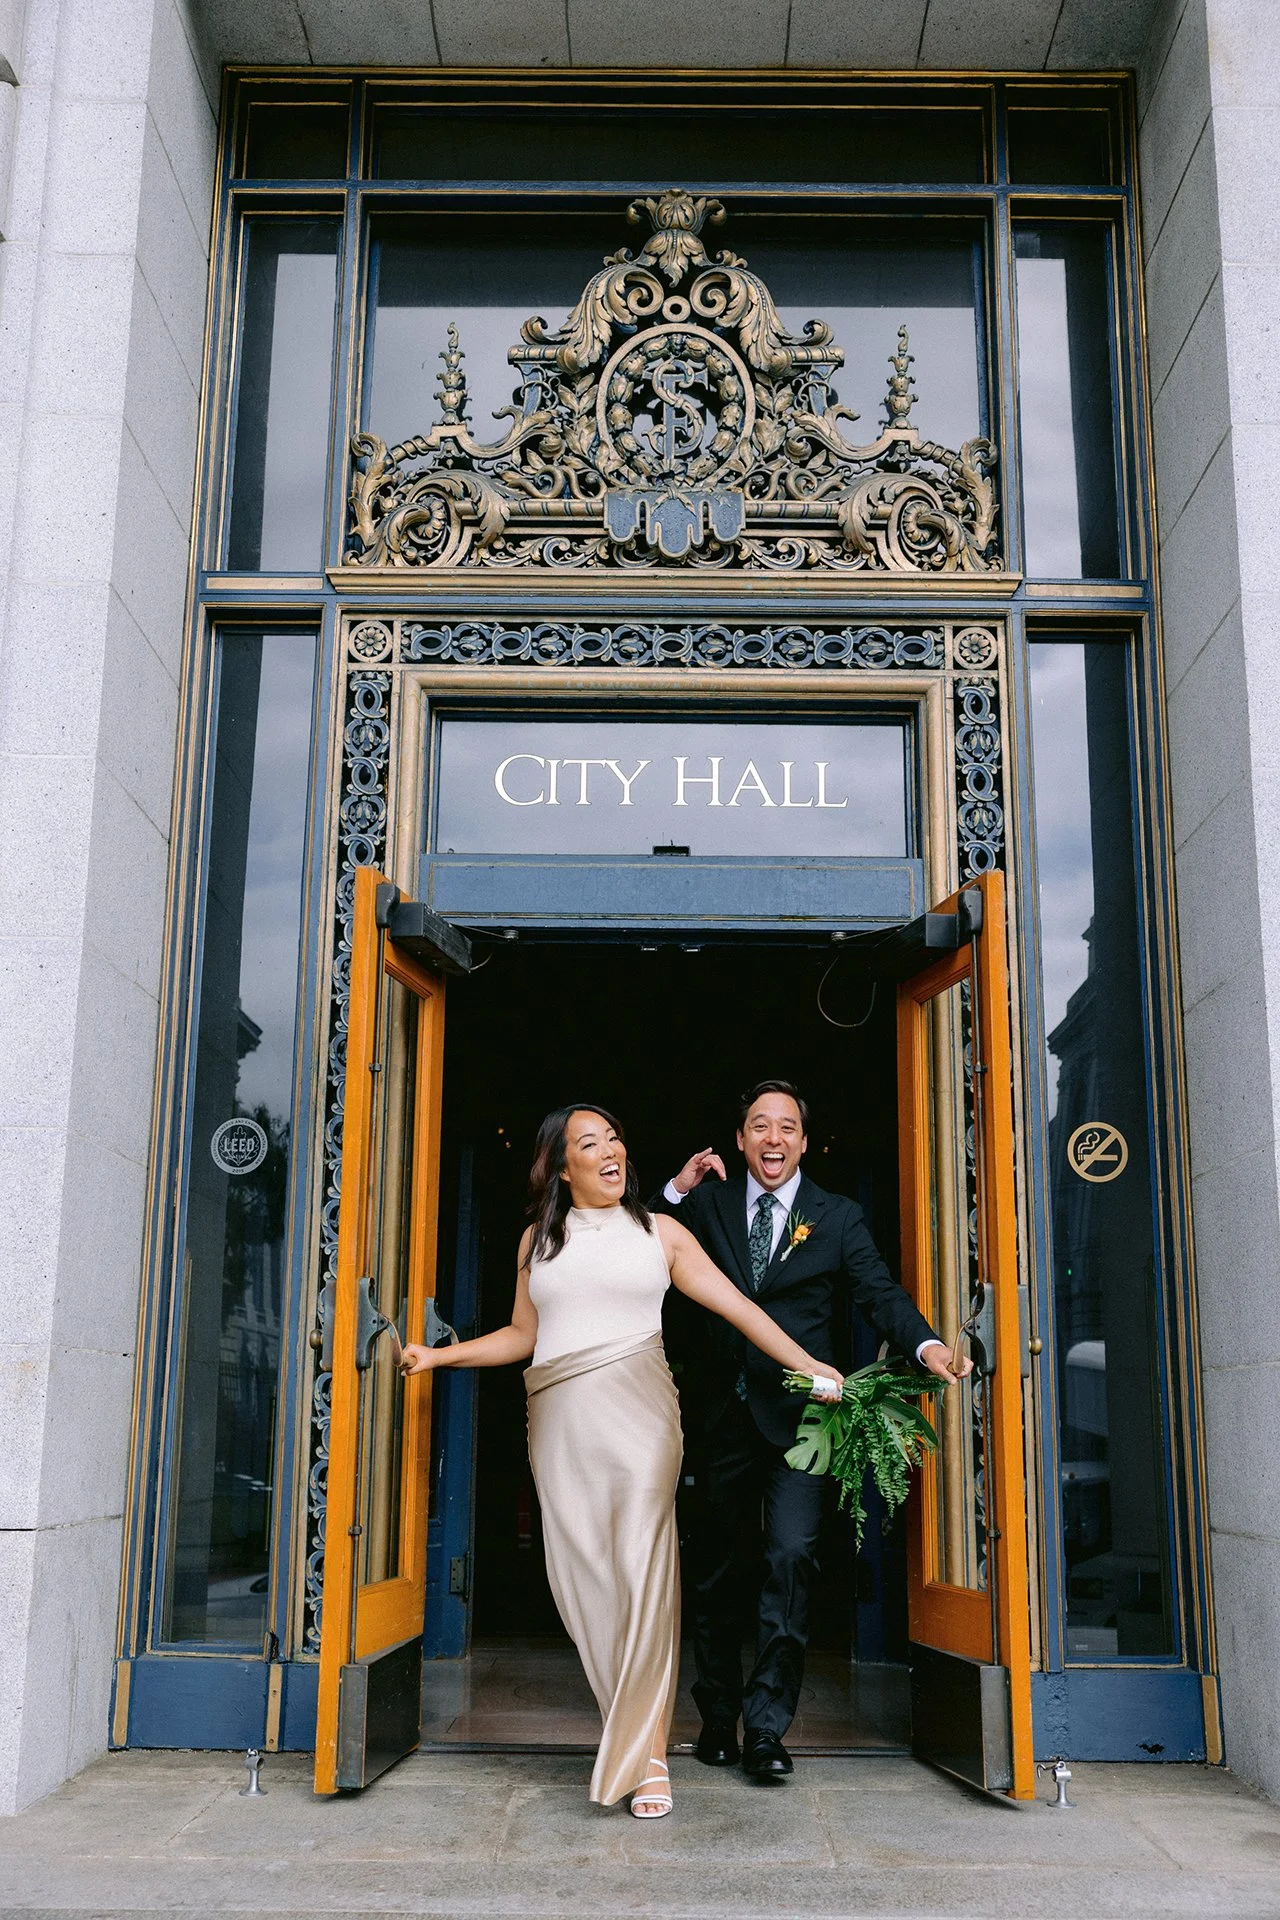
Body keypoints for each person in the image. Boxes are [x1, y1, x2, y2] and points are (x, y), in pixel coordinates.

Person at [400, 1102, 843, 1821]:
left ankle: (652, 1756)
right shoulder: (535, 1242)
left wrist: (809, 1363)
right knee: (588, 1587)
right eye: (589, 1143)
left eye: (614, 1138)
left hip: (642, 1419)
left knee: (642, 1573)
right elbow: (521, 1335)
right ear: (561, 1165)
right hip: (560, 1421)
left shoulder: (661, 1233)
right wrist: (439, 1355)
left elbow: (740, 1308)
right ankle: (631, 1735)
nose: (609, 1151)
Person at [654, 1078, 972, 1782]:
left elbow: (878, 1291)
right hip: (718, 1418)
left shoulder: (836, 1217)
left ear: (804, 1141)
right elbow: (637, 1248)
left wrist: (927, 1347)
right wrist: (674, 1190)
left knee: (792, 1560)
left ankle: (767, 1728)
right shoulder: (703, 1204)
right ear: (739, 1140)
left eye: (787, 1127)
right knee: (716, 1571)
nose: (773, 1139)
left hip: (804, 1420)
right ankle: (715, 1717)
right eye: (759, 1126)